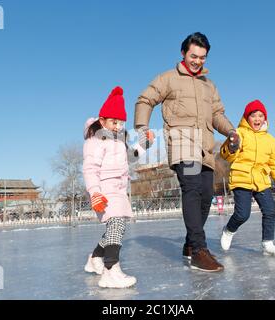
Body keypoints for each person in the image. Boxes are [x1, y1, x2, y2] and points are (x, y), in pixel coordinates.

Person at [134, 32, 239, 272]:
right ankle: (199, 250)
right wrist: (142, 127)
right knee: (191, 189)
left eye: (202, 57)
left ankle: (190, 244)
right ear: (183, 53)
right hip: (183, 142)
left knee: (206, 196)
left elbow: (217, 115)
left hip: (205, 147)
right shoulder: (168, 78)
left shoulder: (209, 85)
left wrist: (231, 132)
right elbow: (145, 99)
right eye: (194, 56)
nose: (197, 61)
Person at [82, 86, 154, 288]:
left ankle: (95, 257)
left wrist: (144, 145)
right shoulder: (96, 139)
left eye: (121, 122)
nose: (118, 126)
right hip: (104, 189)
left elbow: (130, 157)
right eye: (114, 122)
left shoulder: (119, 139)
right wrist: (94, 192)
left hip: (119, 188)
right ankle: (110, 269)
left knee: (116, 226)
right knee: (116, 225)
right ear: (103, 120)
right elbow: (90, 168)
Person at [220, 100, 275, 257]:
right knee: (243, 214)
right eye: (253, 115)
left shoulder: (270, 140)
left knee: (270, 210)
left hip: (261, 179)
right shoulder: (239, 133)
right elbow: (226, 155)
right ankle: (229, 230)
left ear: (265, 119)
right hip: (241, 177)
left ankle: (268, 243)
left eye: (261, 115)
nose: (257, 119)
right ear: (246, 117)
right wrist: (232, 146)